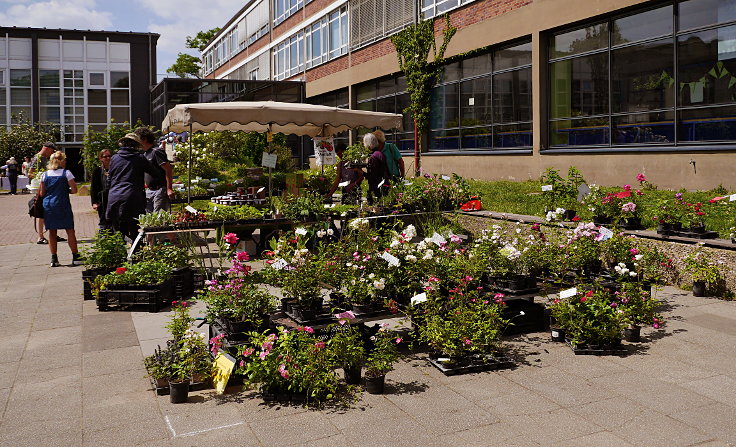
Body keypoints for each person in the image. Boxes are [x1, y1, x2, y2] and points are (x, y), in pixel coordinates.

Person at [106, 132, 161, 243]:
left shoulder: (114, 158)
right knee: (135, 232)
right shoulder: (139, 158)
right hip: (133, 198)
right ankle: (136, 256)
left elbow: (109, 180)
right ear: (135, 145)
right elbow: (155, 173)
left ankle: (120, 256)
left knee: (118, 232)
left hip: (114, 198)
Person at [38, 151, 81, 267]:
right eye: (65, 160)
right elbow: (74, 190)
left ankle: (54, 258)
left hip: (49, 205)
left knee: (52, 232)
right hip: (63, 204)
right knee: (70, 230)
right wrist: (66, 190)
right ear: (61, 161)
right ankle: (75, 256)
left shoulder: (45, 175)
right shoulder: (67, 173)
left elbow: (42, 193)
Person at [135, 127, 175, 212]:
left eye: (137, 139)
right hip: (150, 190)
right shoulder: (146, 153)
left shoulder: (156, 151)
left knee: (159, 218)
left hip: (160, 190)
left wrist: (169, 189)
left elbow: (168, 169)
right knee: (149, 218)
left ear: (144, 139)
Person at [28, 143, 58, 244]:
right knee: (41, 213)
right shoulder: (38, 158)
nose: (52, 153)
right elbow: (30, 173)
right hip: (41, 188)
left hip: (47, 188)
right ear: (47, 149)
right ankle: (40, 236)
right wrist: (41, 176)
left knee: (49, 211)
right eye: (52, 150)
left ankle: (52, 234)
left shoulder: (45, 158)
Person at [364, 133, 390, 205]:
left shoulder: (373, 157)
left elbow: (372, 176)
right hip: (384, 185)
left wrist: (361, 173)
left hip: (377, 188)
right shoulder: (380, 154)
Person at [90, 149, 112, 230]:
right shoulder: (97, 170)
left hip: (113, 198)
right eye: (105, 156)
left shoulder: (115, 169)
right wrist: (94, 202)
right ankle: (103, 238)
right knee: (103, 221)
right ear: (101, 158)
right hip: (102, 200)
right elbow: (93, 187)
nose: (108, 158)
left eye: (109, 156)